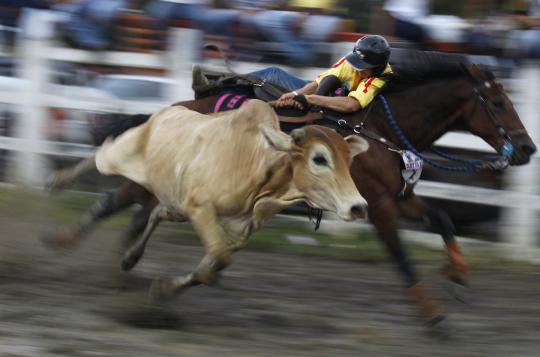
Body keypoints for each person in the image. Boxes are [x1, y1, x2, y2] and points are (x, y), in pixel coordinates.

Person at [274, 34, 393, 113]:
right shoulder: (350, 62)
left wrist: (309, 99)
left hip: (362, 113)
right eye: (357, 63)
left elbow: (351, 105)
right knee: (330, 79)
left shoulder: (381, 78)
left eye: (364, 66)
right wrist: (295, 94)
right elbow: (319, 82)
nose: (358, 69)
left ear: (378, 67)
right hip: (337, 95)